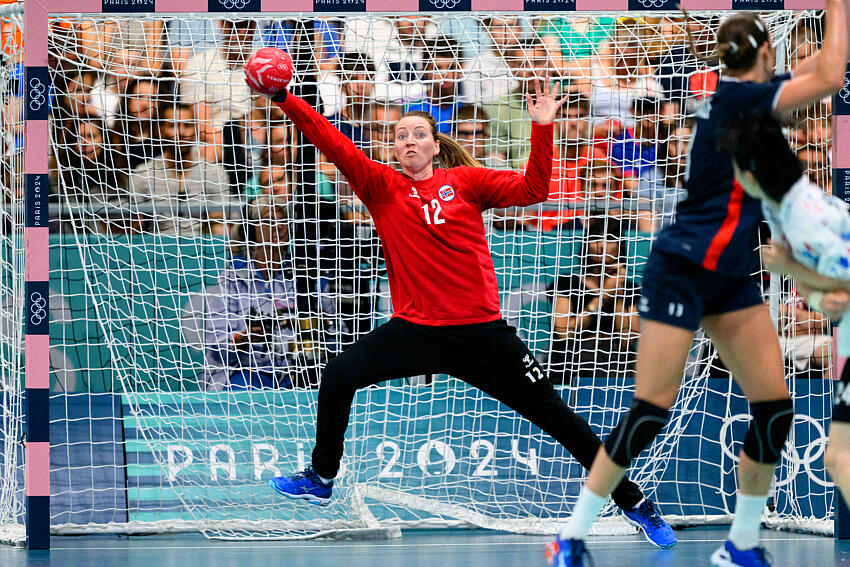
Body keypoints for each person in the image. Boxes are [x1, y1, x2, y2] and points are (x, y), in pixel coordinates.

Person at [245, 46, 676, 548]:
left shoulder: (466, 183)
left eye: (418, 134)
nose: (408, 140)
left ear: (434, 144)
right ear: (393, 148)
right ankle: (321, 478)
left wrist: (541, 127)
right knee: (340, 372)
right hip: (416, 331)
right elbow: (330, 139)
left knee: (562, 422)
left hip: (483, 335)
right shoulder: (382, 187)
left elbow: (536, 189)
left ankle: (637, 505)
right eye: (400, 135)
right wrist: (283, 97)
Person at [547, 5, 847, 566]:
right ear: (766, 54)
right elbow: (831, 75)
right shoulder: (740, 99)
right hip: (683, 267)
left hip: (732, 274)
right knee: (650, 408)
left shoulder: (740, 98)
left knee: (774, 411)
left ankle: (742, 545)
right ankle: (570, 537)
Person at [720, 110, 850, 516]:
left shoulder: (806, 220)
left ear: (752, 175)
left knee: (840, 459)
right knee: (838, 459)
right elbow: (819, 293)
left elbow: (824, 281)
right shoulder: (778, 209)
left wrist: (788, 268)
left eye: (736, 169)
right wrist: (815, 293)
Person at [205, 195, 344, 390]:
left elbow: (340, 337)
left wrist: (321, 331)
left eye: (283, 222)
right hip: (247, 373)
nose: (278, 227)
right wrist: (242, 339)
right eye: (269, 221)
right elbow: (214, 347)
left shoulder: (307, 276)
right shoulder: (233, 280)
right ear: (253, 230)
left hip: (299, 373)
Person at [549, 218, 639, 385]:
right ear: (586, 245)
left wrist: (617, 292)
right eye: (596, 238)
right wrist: (604, 296)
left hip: (617, 359)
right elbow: (564, 332)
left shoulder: (630, 288)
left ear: (620, 246)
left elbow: (626, 340)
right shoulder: (566, 283)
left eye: (610, 239)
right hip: (575, 358)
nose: (603, 245)